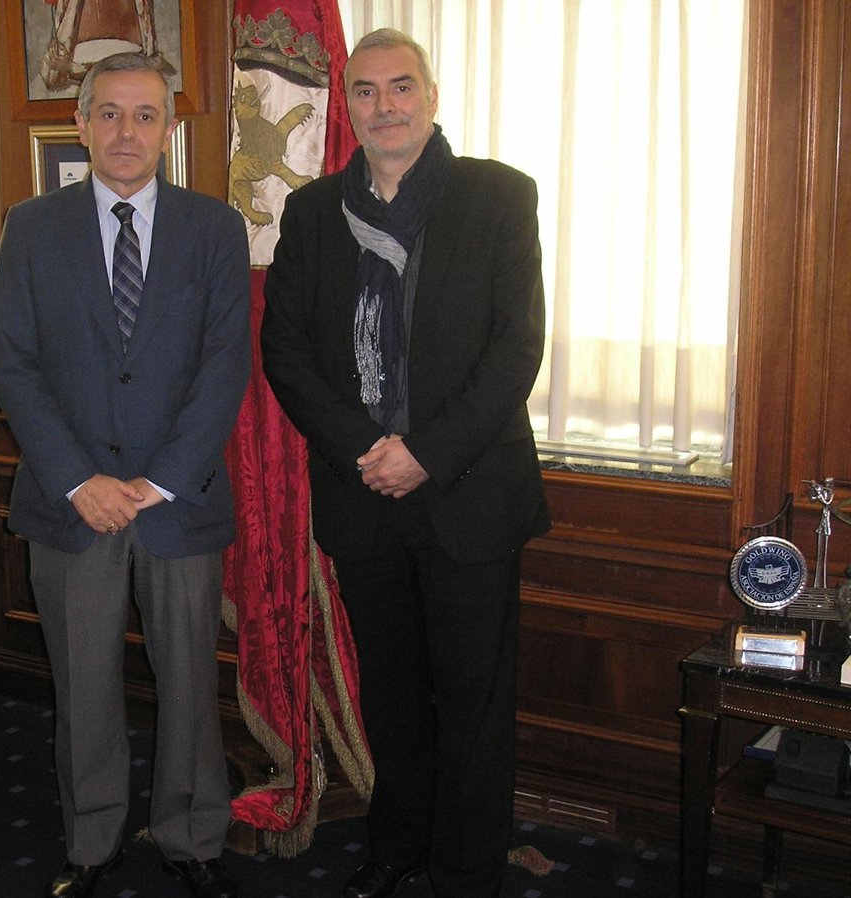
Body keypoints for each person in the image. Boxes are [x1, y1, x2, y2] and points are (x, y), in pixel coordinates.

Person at [260, 28, 550, 898]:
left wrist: (424, 453)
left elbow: (516, 349)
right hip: (364, 494)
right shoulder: (314, 213)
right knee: (390, 691)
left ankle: (466, 870)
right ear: (347, 107)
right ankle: (398, 848)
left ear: (431, 97)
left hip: (470, 492)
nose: (384, 106)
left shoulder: (499, 197)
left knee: (473, 700)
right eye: (366, 91)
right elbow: (286, 352)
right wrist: (367, 451)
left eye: (401, 87)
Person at [0, 51, 249, 898]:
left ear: (168, 130)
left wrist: (159, 481)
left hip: (179, 503)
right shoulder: (31, 227)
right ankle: (91, 842)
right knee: (83, 686)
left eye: (144, 115)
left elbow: (224, 366)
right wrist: (81, 481)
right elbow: (14, 368)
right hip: (71, 506)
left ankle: (193, 836)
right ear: (82, 123)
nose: (126, 131)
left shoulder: (215, 229)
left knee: (189, 683)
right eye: (109, 113)